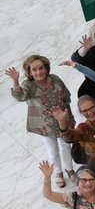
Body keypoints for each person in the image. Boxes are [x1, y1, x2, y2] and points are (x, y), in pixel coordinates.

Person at [8, 54, 74, 185]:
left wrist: (70, 117)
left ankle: (70, 170)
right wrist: (15, 81)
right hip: (45, 125)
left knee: (66, 146)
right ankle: (58, 172)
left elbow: (66, 97)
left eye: (41, 68)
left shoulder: (55, 79)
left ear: (46, 68)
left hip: (63, 120)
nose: (39, 72)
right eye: (34, 70)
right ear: (29, 72)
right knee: (53, 150)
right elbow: (20, 96)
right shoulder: (29, 85)